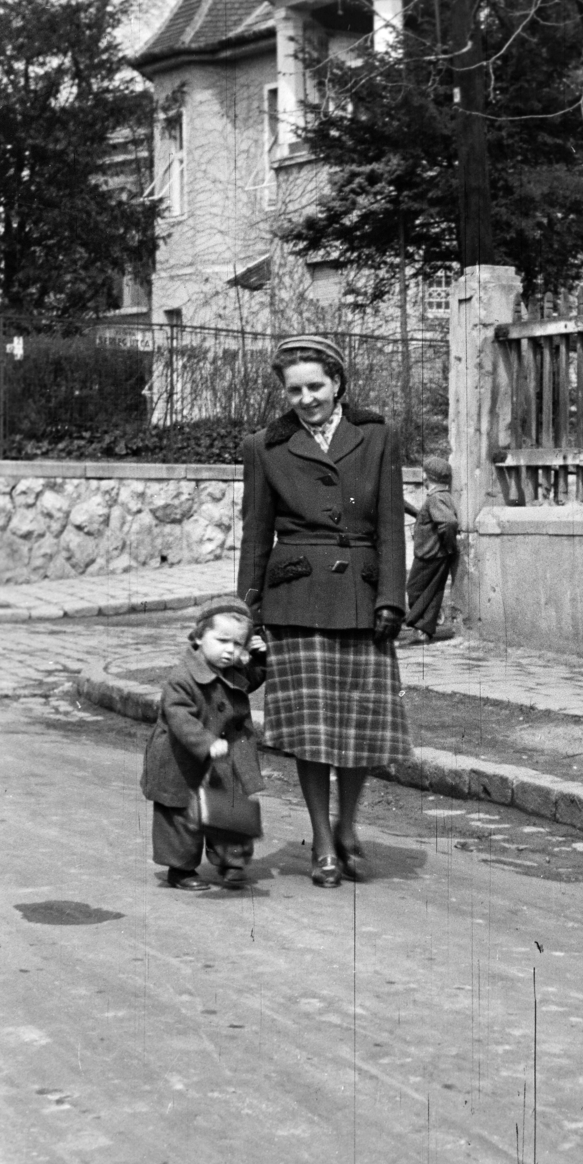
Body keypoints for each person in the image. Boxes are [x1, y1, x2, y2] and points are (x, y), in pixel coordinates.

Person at [238, 334, 411, 888]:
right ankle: (323, 842)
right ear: (284, 392)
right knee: (313, 731)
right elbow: (255, 534)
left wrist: (391, 597)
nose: (307, 398)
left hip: (361, 599)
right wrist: (249, 613)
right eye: (295, 389)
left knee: (358, 725)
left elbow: (389, 524)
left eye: (316, 385)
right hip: (297, 599)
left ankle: (349, 826)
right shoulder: (264, 446)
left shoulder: (379, 436)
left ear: (338, 383)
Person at [141, 596, 267, 891]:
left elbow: (250, 680)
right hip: (182, 757)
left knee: (231, 806)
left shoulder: (232, 669)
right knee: (181, 814)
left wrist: (259, 658)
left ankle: (231, 862)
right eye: (222, 641)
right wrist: (205, 741)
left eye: (238, 644)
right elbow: (178, 716)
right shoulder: (182, 677)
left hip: (225, 755)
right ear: (198, 637)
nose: (230, 651)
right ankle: (180, 868)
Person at [403, 456, 459, 642]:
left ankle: (421, 626)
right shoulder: (444, 496)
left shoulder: (435, 499)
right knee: (432, 591)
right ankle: (424, 629)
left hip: (430, 554)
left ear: (428, 477)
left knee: (415, 589)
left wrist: (448, 544)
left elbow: (449, 522)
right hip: (435, 553)